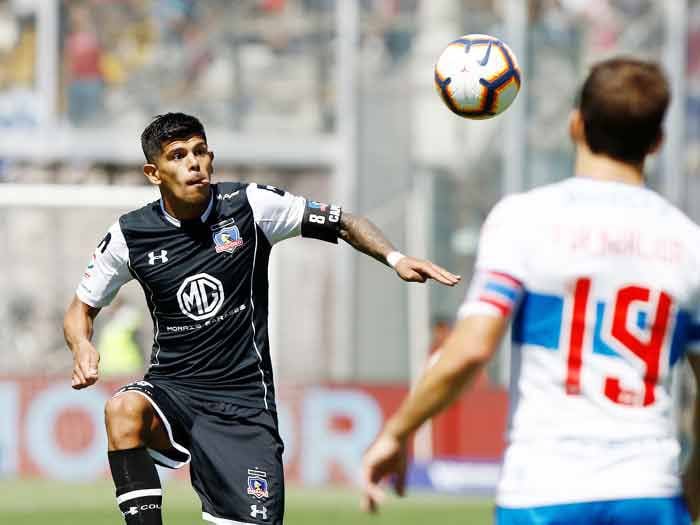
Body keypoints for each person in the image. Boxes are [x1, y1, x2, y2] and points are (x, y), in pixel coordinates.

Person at [63, 112, 460, 525]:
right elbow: (79, 310)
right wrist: (82, 344)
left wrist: (395, 258)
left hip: (243, 406)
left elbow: (344, 222)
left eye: (200, 152)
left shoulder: (250, 206)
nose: (194, 163)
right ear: (154, 172)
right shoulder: (131, 234)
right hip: (174, 391)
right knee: (123, 409)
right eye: (178, 156)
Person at [362, 57, 700, 525]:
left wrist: (398, 433)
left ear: (576, 125)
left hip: (545, 486)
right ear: (658, 142)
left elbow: (471, 349)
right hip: (648, 488)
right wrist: (695, 482)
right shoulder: (689, 244)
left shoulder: (526, 219)